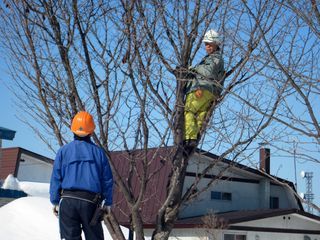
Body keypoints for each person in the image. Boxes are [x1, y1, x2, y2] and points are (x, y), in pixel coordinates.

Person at [50, 111, 113, 240]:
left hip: (67, 202)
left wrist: (55, 201)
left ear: (73, 129)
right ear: (91, 130)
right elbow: (107, 180)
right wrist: (108, 202)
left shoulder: (63, 151)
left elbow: (56, 177)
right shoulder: (99, 153)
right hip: (90, 203)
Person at [183, 29, 225, 147]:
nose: (207, 47)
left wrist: (193, 69)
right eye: (206, 44)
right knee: (201, 113)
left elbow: (208, 72)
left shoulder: (214, 58)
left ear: (216, 44)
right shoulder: (216, 59)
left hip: (200, 89)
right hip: (210, 92)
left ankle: (189, 138)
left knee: (189, 111)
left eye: (209, 44)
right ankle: (195, 138)